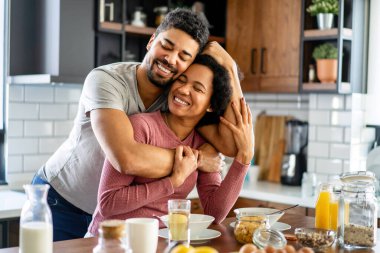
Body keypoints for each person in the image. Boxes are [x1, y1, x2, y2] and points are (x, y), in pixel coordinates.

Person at [32, 8, 244, 241]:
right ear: (152, 40)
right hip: (62, 200)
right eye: (167, 45)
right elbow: (126, 158)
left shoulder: (177, 97)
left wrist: (230, 67)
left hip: (110, 214)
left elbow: (234, 144)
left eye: (184, 57)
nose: (171, 59)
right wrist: (199, 160)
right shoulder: (106, 80)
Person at [88, 54, 254, 236]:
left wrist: (244, 158)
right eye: (181, 80)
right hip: (112, 241)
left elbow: (214, 214)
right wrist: (172, 182)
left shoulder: (203, 144)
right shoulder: (141, 126)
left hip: (161, 241)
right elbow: (107, 204)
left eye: (198, 89)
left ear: (211, 106)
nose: (183, 90)